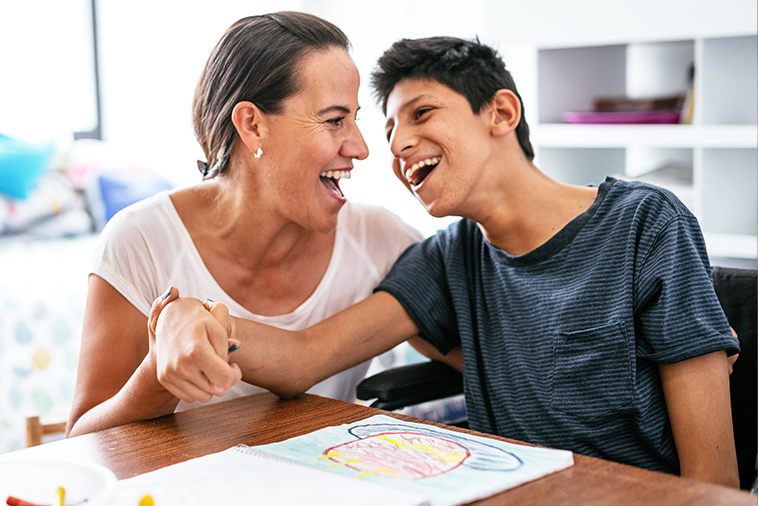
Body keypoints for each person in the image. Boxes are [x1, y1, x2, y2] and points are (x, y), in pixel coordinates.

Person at [151, 36, 741, 488]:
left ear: (501, 114)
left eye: (422, 114)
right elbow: (305, 356)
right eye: (388, 129)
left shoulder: (645, 224)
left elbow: (713, 484)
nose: (396, 145)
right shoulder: (452, 256)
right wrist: (196, 319)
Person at [65, 12, 422, 438]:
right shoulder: (140, 241)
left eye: (355, 118)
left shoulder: (380, 239)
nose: (361, 148)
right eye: (333, 120)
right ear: (252, 125)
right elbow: (82, 442)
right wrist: (158, 372)